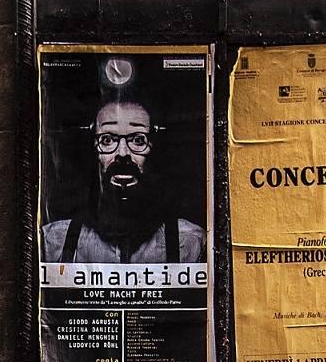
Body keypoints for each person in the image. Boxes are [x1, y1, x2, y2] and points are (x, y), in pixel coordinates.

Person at [42, 97, 205, 265]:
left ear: (154, 148)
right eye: (107, 140)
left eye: (138, 140)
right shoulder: (53, 242)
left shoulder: (191, 243)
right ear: (92, 151)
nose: (122, 153)